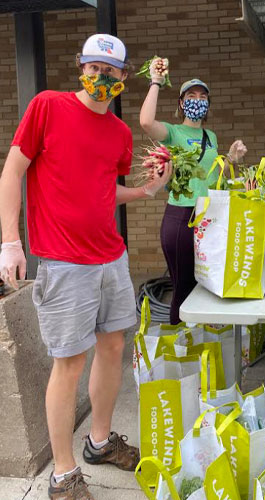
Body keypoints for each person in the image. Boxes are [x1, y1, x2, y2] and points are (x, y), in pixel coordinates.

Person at [0, 34, 172, 500]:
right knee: (70, 362)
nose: (101, 78)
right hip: (63, 262)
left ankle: (98, 442)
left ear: (123, 76)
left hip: (110, 256)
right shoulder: (48, 107)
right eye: (94, 68)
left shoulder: (118, 134)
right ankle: (62, 474)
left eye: (111, 72)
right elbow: (13, 171)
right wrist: (10, 242)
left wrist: (146, 192)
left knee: (113, 347)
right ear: (80, 65)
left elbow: (102, 190)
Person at [140, 59, 247, 324]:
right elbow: (145, 122)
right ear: (181, 102)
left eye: (202, 96)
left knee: (206, 286)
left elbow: (211, 175)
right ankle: (182, 344)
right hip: (181, 218)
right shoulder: (174, 133)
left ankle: (201, 341)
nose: (197, 100)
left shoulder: (211, 136)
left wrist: (231, 159)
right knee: (184, 288)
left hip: (209, 217)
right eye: (191, 95)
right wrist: (155, 82)